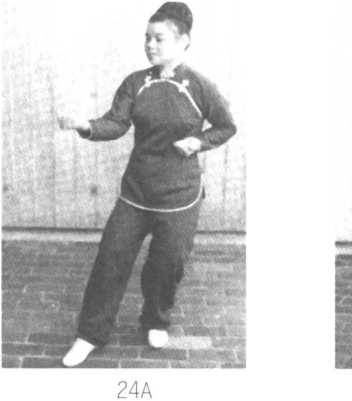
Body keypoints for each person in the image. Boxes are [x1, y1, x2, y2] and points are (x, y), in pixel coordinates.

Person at [57, 2, 236, 367]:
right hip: (137, 192)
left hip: (180, 195)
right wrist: (84, 125)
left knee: (167, 265)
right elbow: (115, 123)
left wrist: (198, 141)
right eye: (147, 38)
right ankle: (89, 334)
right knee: (110, 259)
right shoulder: (135, 83)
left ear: (183, 41)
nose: (150, 45)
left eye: (159, 38)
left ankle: (155, 320)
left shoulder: (200, 86)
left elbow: (226, 126)